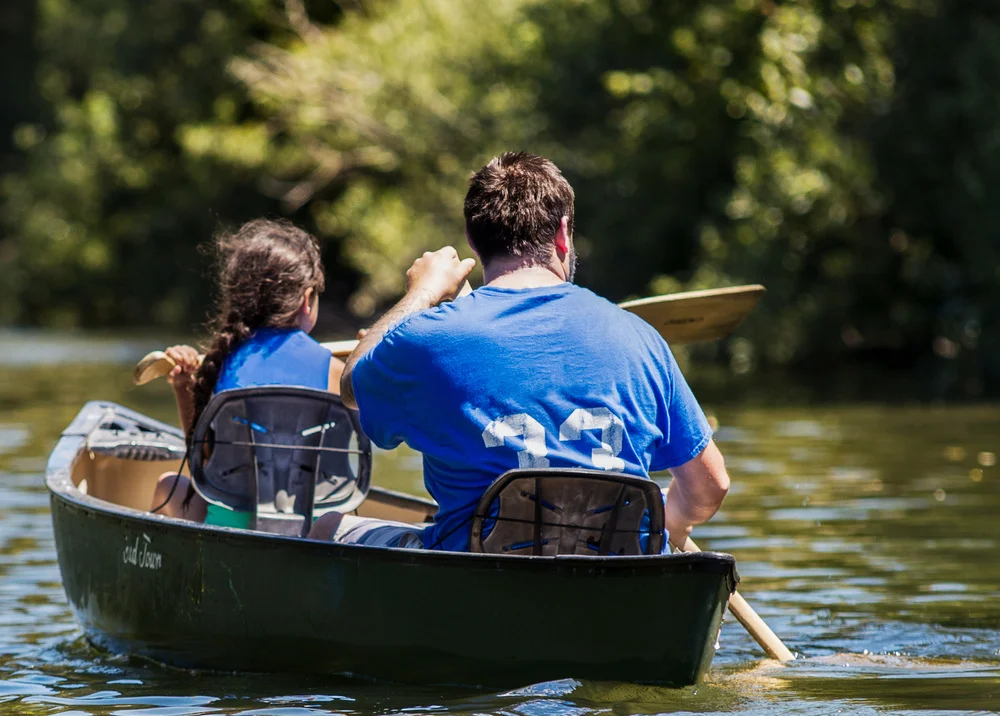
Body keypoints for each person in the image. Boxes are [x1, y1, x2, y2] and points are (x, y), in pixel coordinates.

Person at [314, 151, 729, 551]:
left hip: (481, 581)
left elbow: (352, 386)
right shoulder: (642, 338)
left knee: (328, 526)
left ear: (473, 242)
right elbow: (710, 486)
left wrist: (422, 292)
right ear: (563, 233)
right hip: (620, 576)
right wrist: (671, 525)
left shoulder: (424, 341)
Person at [151, 218, 344, 525]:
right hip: (313, 534)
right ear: (307, 300)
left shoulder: (219, 364)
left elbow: (203, 467)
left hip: (229, 530)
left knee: (167, 487)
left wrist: (183, 387)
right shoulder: (338, 374)